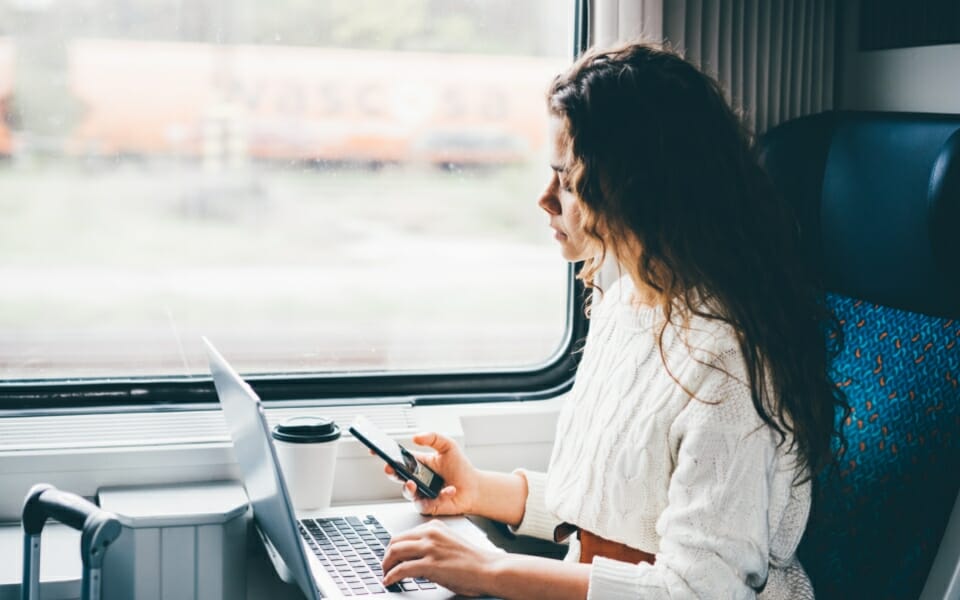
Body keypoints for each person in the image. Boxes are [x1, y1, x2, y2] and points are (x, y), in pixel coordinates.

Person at [379, 41, 846, 599]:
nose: (545, 200)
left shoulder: (728, 364)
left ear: (637, 193)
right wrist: (478, 491)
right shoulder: (627, 301)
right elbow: (622, 510)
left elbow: (697, 591)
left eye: (569, 182)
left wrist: (490, 570)